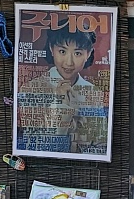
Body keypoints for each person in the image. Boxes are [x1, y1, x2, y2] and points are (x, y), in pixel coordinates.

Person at [17, 24, 104, 154]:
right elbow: (33, 145)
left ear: (88, 53)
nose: (69, 62)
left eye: (78, 53)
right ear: (51, 49)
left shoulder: (93, 92)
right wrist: (60, 106)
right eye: (62, 51)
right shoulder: (30, 88)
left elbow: (100, 144)